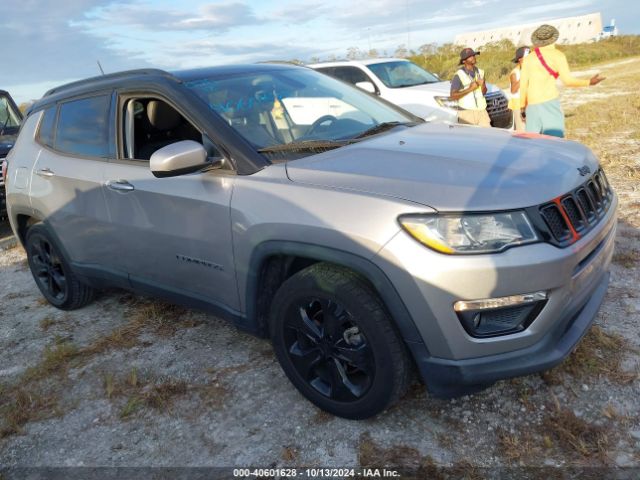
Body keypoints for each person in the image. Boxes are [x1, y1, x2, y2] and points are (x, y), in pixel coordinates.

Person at [519, 24, 605, 137]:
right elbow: (567, 81)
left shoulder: (528, 59)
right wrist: (589, 82)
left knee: (533, 144)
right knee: (556, 142)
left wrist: (522, 107)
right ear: (554, 38)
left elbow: (523, 84)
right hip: (549, 102)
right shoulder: (558, 55)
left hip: (531, 105)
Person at [450, 48, 490, 127]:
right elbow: (453, 96)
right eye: (470, 56)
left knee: (487, 136)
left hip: (482, 111)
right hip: (466, 113)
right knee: (470, 138)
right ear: (464, 61)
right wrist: (470, 89)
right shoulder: (458, 75)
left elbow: (484, 92)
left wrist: (483, 85)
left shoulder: (481, 72)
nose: (473, 57)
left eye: (474, 55)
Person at [508, 46, 529, 131]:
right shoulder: (514, 73)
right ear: (520, 59)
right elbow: (513, 90)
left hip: (529, 104)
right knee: (523, 132)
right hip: (519, 105)